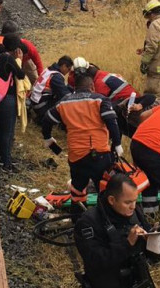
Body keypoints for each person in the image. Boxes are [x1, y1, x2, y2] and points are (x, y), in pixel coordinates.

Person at [74, 174, 153, 288]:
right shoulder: (89, 222)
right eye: (127, 202)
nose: (132, 206)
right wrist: (127, 244)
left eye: (135, 201)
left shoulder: (135, 213)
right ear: (112, 200)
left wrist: (153, 241)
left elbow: (152, 254)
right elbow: (96, 260)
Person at [43, 74, 123, 205]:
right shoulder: (100, 100)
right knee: (105, 189)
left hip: (76, 156)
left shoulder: (64, 102)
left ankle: (77, 214)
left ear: (75, 87)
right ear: (92, 87)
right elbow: (111, 121)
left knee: (77, 189)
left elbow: (47, 119)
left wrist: (48, 137)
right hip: (99, 154)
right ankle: (104, 214)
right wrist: (117, 143)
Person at [76, 60, 158, 137]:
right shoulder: (102, 74)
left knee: (109, 115)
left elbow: (100, 103)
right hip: (130, 100)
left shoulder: (99, 83)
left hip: (127, 102)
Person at [0, 34, 26, 172]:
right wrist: (19, 60)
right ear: (15, 48)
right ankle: (6, 164)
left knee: (2, 129)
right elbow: (21, 74)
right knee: (8, 131)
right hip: (7, 99)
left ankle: (4, 159)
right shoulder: (8, 58)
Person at [28, 55, 74, 124]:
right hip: (41, 106)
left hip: (35, 102)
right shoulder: (56, 77)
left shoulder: (49, 70)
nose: (68, 72)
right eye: (69, 69)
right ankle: (45, 119)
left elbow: (63, 86)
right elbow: (65, 95)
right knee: (64, 101)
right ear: (64, 66)